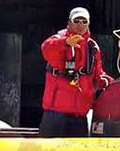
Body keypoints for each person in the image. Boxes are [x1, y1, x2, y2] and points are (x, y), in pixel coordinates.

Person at [39, 7, 112, 137]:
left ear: (88, 24)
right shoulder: (58, 39)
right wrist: (65, 43)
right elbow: (46, 49)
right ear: (69, 23)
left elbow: (98, 74)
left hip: (79, 114)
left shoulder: (92, 47)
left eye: (84, 21)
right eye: (77, 20)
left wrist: (113, 83)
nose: (80, 24)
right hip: (56, 113)